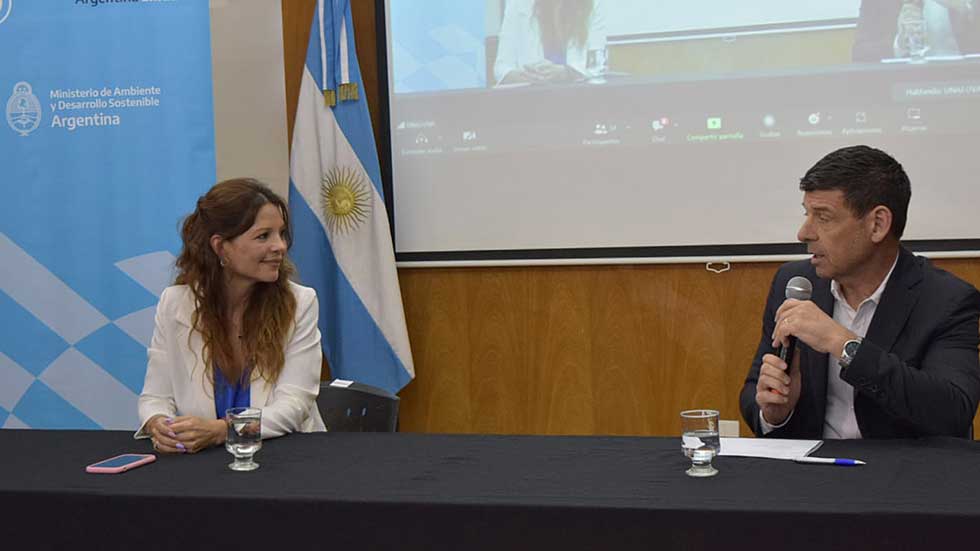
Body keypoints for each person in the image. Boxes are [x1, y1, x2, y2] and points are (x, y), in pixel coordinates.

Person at [740, 145, 980, 439]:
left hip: (901, 475)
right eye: (807, 214)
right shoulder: (795, 283)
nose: (804, 233)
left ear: (877, 224)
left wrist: (843, 343)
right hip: (813, 472)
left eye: (823, 217)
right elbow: (755, 388)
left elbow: (952, 411)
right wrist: (775, 413)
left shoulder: (946, 300)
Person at [135, 179, 326, 453]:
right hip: (201, 462)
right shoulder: (174, 303)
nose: (280, 246)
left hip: (285, 456)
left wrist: (222, 430)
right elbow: (155, 396)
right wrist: (160, 425)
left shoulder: (300, 302)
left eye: (281, 234)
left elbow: (294, 405)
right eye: (264, 236)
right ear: (221, 247)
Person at [493, 0, 607, 85]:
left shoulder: (592, 4)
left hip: (578, 99)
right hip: (532, 101)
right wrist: (528, 77)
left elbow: (597, 67)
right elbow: (501, 68)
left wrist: (566, 73)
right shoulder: (518, 4)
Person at [853, 0, 980, 61]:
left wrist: (968, 9)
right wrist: (899, 44)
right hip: (908, 89)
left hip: (967, 82)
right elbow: (860, 54)